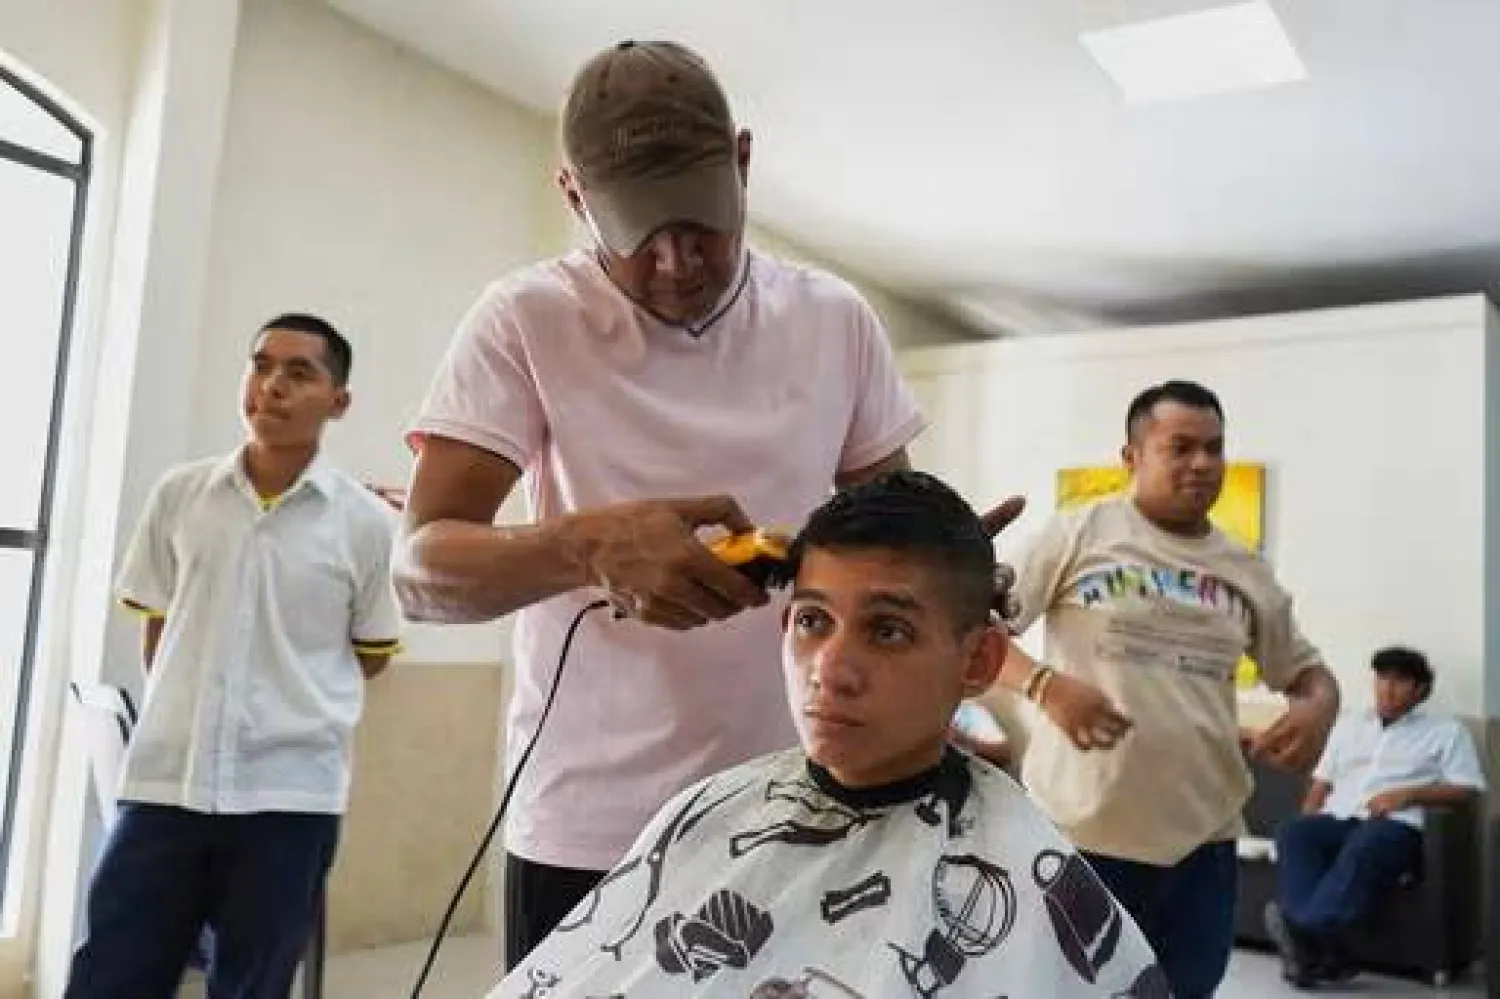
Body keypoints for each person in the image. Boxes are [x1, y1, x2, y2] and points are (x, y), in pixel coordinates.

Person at [395, 39, 1024, 969]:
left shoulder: (832, 320)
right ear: (574, 197)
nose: (676, 260)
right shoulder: (523, 320)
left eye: (702, 222)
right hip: (591, 829)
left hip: (803, 802)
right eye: (639, 230)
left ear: (742, 161)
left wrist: (954, 578)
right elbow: (420, 573)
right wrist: (587, 544)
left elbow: (897, 535)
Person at [487, 470, 1168, 998]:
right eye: (813, 621)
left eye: (889, 629)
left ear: (979, 661)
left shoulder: (1021, 872)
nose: (831, 672)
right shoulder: (704, 812)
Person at [65, 314, 403, 998]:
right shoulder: (181, 495)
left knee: (253, 984)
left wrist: (288, 685)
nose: (271, 385)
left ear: (338, 402)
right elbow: (157, 623)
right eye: (261, 364)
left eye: (298, 372)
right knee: (110, 975)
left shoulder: (365, 523)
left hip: (289, 796)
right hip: (165, 786)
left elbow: (371, 651)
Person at [981, 379, 1342, 999]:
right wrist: (1044, 685)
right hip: (1080, 836)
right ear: (1131, 457)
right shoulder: (1078, 533)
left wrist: (1318, 709)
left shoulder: (1243, 567)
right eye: (1180, 448)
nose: (1202, 463)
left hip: (1202, 843)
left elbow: (1308, 675)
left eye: (1214, 448)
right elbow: (975, 635)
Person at [1265, 646, 1484, 987]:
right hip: (1340, 817)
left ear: (1420, 690)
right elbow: (1321, 784)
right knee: (1294, 832)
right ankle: (1315, 945)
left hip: (1396, 826)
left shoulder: (1446, 732)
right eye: (1382, 679)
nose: (1387, 689)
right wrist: (1308, 817)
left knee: (1368, 843)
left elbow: (1467, 788)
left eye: (1399, 682)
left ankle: (1298, 930)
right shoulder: (1350, 724)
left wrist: (1408, 794)